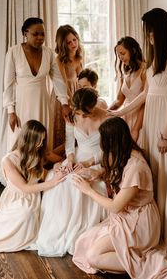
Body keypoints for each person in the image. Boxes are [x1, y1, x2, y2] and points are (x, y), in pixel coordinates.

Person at [109, 8, 167, 251]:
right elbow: (146, 96)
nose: (147, 36)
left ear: (158, 29)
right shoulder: (155, 60)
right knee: (155, 174)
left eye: (149, 31)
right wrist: (119, 112)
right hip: (151, 120)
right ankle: (154, 227)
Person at [72, 117, 167, 278]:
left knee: (93, 257)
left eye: (104, 142)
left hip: (139, 224)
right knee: (83, 242)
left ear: (114, 142)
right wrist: (98, 173)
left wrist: (88, 190)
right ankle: (132, 257)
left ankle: (146, 263)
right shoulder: (124, 154)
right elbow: (117, 171)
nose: (102, 146)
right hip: (126, 216)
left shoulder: (136, 167)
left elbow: (115, 206)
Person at [0, 120, 66, 253]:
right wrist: (53, 183)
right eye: (38, 141)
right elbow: (25, 188)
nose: (40, 144)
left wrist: (57, 167)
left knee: (33, 213)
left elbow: (49, 167)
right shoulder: (9, 160)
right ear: (28, 139)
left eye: (42, 140)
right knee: (25, 214)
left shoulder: (37, 153)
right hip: (17, 199)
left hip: (33, 197)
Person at [33, 88, 108, 257]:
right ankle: (59, 227)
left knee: (80, 183)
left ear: (93, 106)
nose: (81, 117)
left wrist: (89, 163)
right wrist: (71, 160)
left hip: (96, 161)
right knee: (61, 180)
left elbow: (108, 149)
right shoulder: (72, 117)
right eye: (79, 113)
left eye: (85, 114)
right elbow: (69, 143)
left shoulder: (106, 117)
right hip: (77, 157)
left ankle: (79, 230)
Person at [0, 17, 70, 184]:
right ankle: (20, 179)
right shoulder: (14, 52)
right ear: (25, 34)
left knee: (42, 142)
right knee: (22, 140)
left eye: (42, 34)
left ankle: (39, 178)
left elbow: (58, 80)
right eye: (35, 34)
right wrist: (11, 110)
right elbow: (8, 85)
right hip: (22, 104)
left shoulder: (48, 53)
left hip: (42, 103)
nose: (40, 38)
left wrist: (64, 103)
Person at [109, 36, 146, 142]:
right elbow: (118, 101)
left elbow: (144, 103)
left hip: (141, 119)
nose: (120, 57)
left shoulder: (145, 70)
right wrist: (106, 112)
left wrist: (136, 129)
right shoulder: (125, 72)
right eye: (118, 55)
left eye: (123, 53)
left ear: (133, 50)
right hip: (125, 117)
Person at [52, 24, 83, 148]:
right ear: (63, 44)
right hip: (64, 96)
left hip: (76, 94)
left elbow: (81, 79)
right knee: (64, 128)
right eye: (69, 42)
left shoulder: (79, 57)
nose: (73, 44)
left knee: (77, 128)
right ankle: (60, 159)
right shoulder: (59, 60)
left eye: (74, 40)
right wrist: (71, 102)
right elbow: (62, 83)